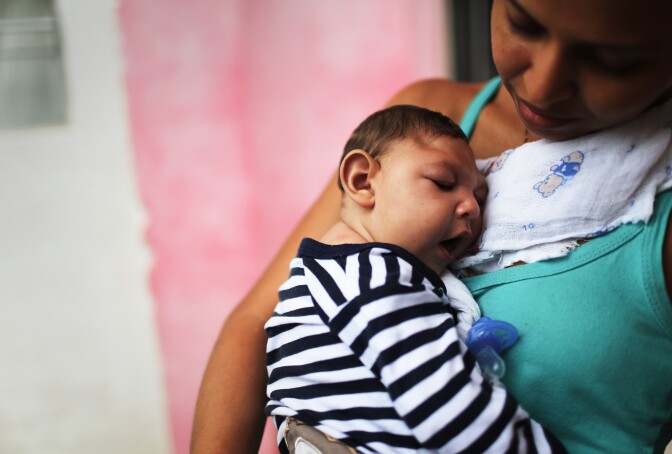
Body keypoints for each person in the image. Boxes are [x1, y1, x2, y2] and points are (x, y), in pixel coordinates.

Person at [191, 0, 672, 452]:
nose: (544, 85)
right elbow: (256, 323)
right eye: (526, 24)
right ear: (362, 179)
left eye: (611, 60)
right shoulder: (417, 133)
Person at [265, 105, 562, 453]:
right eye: (443, 183)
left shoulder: (325, 275)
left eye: (480, 198)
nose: (472, 208)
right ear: (363, 181)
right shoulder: (371, 276)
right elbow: (451, 406)